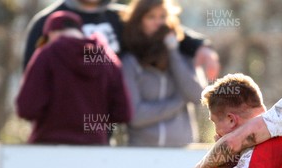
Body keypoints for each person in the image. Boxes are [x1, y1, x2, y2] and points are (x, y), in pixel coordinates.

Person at [22, 0, 220, 81]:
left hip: (114, 122)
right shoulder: (48, 22)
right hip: (60, 124)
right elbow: (30, 75)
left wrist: (201, 47)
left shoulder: (122, 18)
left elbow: (164, 29)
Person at [16, 11, 131, 145]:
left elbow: (27, 108)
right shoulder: (107, 58)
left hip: (48, 146)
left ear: (51, 33)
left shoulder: (46, 55)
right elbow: (123, 113)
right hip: (95, 148)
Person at [120, 0, 206, 147]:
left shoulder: (183, 55)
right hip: (141, 153)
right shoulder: (129, 62)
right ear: (139, 22)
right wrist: (178, 103)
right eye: (151, 17)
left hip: (182, 151)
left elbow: (199, 96)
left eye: (163, 16)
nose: (158, 22)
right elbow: (135, 116)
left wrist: (173, 52)